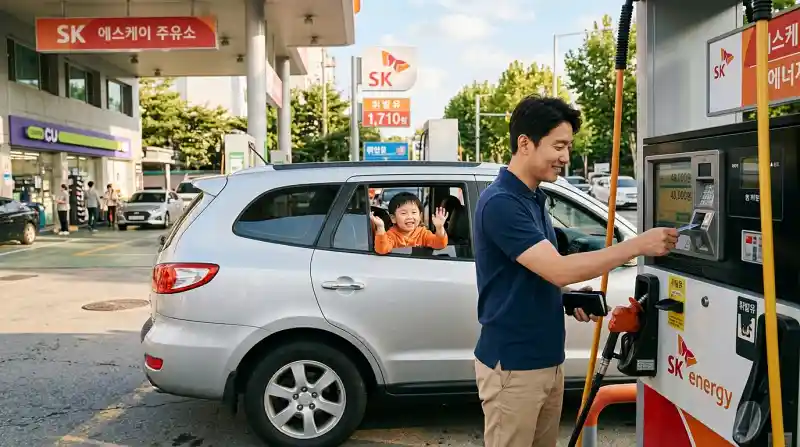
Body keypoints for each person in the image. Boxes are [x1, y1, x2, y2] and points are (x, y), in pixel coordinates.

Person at [472, 96, 678, 447]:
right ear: (525, 143)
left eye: (568, 146)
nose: (566, 157)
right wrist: (638, 245)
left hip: (546, 361)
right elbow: (558, 269)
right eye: (559, 146)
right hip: (514, 367)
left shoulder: (532, 197)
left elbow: (535, 275)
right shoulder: (502, 203)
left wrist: (567, 298)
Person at [370, 192, 449, 255]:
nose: (410, 217)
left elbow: (440, 244)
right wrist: (380, 227)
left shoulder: (423, 234)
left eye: (414, 212)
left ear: (420, 216)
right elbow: (382, 249)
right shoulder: (391, 235)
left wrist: (439, 227)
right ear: (393, 218)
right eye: (403, 213)